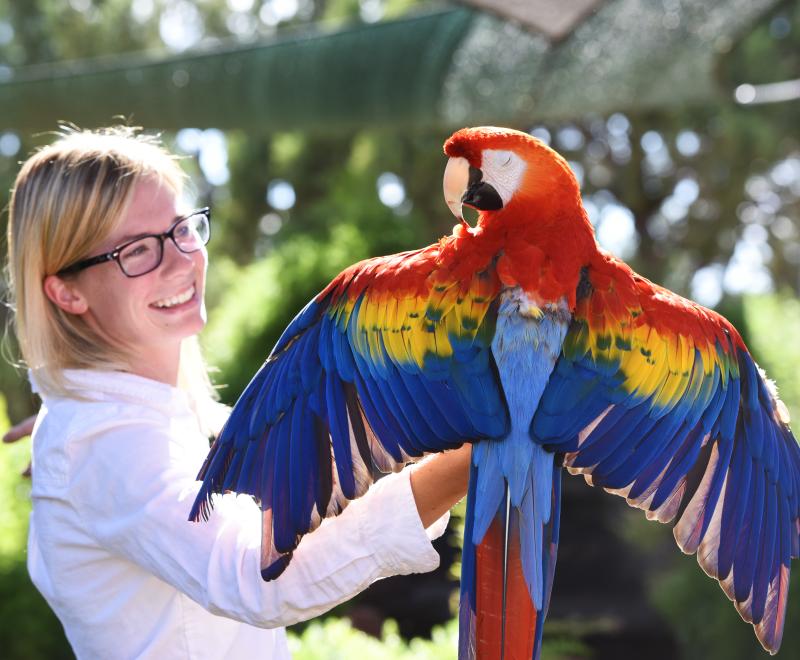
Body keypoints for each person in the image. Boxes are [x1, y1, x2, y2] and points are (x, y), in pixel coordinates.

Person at [5, 126, 471, 659]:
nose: (182, 262)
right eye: (136, 251)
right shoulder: (103, 441)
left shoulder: (124, 424)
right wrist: (472, 454)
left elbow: (302, 451)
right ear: (65, 291)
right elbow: (261, 577)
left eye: (181, 229)